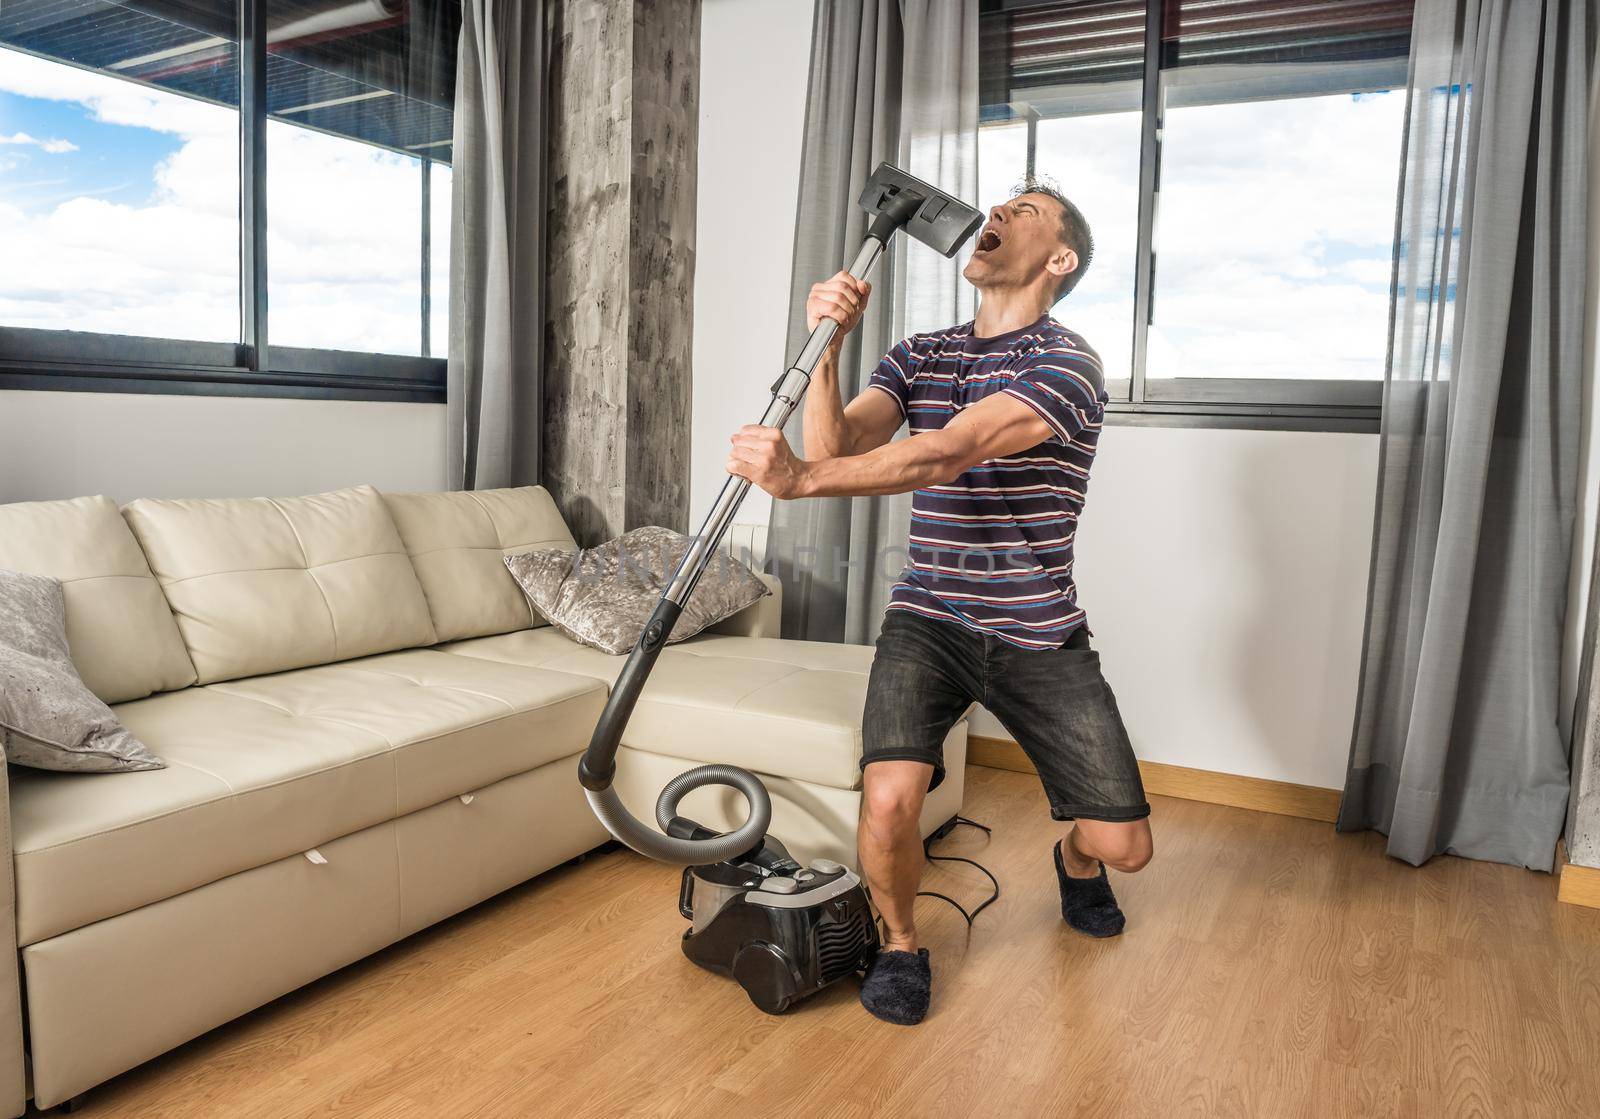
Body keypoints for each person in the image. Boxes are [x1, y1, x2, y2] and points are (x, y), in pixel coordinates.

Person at [725, 181, 1153, 1026]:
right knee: (887, 800)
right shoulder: (923, 352)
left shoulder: (1067, 364)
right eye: (994, 208)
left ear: (1060, 260)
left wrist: (801, 483)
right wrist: (833, 344)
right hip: (929, 617)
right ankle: (899, 943)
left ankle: (1075, 860)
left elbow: (946, 452)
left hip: (1037, 631)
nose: (994, 217)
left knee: (1124, 847)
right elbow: (840, 441)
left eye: (1022, 213)